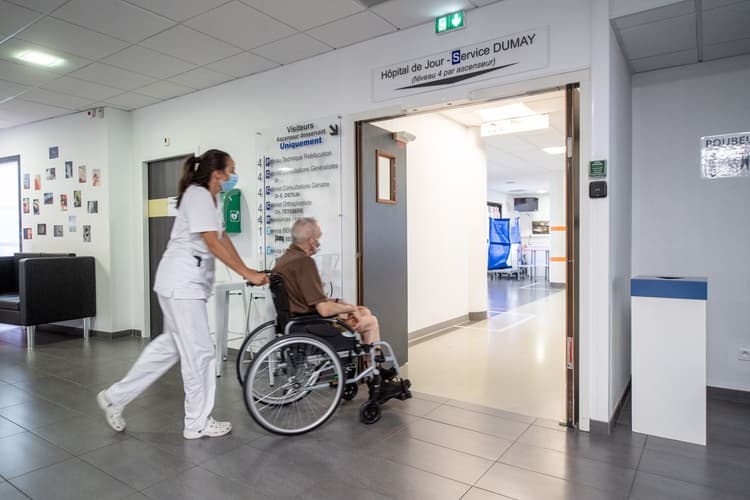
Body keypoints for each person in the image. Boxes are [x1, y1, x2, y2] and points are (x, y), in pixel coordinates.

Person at [97, 149, 268, 439]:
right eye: (231, 170)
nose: (233, 176)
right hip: (182, 284)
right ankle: (197, 422)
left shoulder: (212, 198)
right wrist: (246, 274)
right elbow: (212, 242)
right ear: (218, 174)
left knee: (170, 348)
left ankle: (115, 397)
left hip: (180, 283)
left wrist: (246, 268)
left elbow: (223, 237)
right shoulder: (199, 195)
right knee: (200, 353)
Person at [272, 217, 400, 386]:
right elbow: (324, 309)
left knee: (364, 311)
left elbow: (307, 298)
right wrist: (349, 308)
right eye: (319, 237)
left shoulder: (284, 260)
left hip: (296, 319)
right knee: (370, 322)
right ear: (312, 241)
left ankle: (372, 368)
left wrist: (344, 305)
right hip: (311, 325)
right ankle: (375, 377)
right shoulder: (304, 263)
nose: (319, 242)